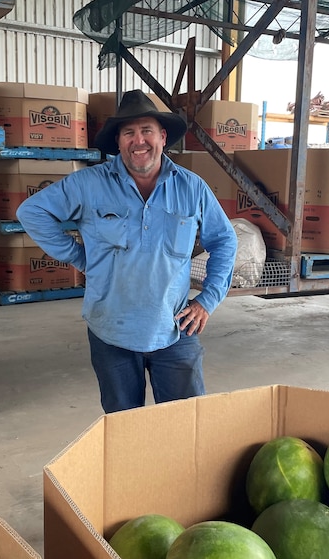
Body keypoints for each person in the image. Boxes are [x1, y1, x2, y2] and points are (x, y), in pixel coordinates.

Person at [16, 89, 238, 413]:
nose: (139, 141)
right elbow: (31, 212)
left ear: (162, 137)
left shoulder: (191, 188)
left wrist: (208, 300)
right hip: (111, 333)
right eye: (129, 133)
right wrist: (79, 257)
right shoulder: (89, 184)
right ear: (119, 142)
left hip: (174, 329)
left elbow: (224, 240)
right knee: (123, 428)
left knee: (186, 423)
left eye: (147, 131)